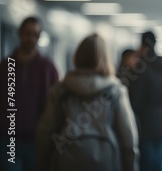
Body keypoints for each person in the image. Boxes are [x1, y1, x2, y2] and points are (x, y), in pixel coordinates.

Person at [35, 33, 139, 171]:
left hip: (66, 160)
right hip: (106, 161)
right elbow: (129, 139)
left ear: (77, 55)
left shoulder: (61, 90)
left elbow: (45, 133)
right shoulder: (116, 90)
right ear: (105, 58)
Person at [0, 16, 59, 171]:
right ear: (20, 34)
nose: (30, 38)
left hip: (36, 139)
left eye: (35, 34)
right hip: (8, 138)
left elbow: (55, 102)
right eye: (27, 33)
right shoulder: (5, 66)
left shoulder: (47, 68)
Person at [128, 31, 162, 171]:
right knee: (158, 164)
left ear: (141, 45)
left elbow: (135, 100)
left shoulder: (141, 67)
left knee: (145, 165)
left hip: (144, 125)